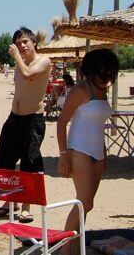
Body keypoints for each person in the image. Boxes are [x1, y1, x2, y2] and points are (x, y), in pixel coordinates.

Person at [57, 48, 117, 255]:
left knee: (87, 205)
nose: (106, 77)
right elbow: (61, 123)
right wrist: (63, 156)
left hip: (98, 152)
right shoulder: (81, 90)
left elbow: (98, 125)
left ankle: (76, 246)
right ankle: (66, 250)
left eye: (109, 73)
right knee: (84, 202)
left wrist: (104, 153)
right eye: (102, 72)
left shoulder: (102, 90)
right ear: (92, 70)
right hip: (79, 150)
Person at [0, 26, 51, 223]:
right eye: (18, 43)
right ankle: (9, 202)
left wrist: (17, 56)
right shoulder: (19, 63)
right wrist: (19, 58)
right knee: (4, 159)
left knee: (29, 162)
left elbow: (28, 75)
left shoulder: (43, 61)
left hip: (32, 120)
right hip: (14, 118)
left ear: (34, 43)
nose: (22, 45)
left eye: (25, 41)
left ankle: (26, 206)